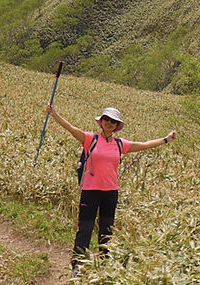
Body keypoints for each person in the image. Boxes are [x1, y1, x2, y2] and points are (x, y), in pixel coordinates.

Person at [46, 103, 177, 273]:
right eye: (106, 119)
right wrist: (54, 113)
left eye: (113, 121)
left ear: (116, 126)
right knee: (85, 229)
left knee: (106, 231)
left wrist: (166, 139)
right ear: (101, 122)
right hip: (90, 191)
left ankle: (104, 266)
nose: (109, 123)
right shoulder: (90, 139)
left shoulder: (120, 144)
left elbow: (144, 144)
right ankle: (77, 266)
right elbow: (70, 128)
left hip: (110, 193)